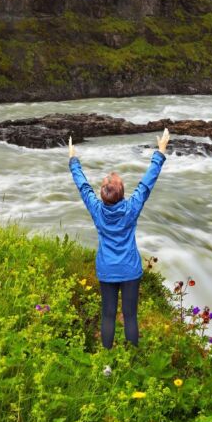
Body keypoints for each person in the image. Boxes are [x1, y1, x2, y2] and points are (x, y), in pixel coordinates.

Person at [68, 129, 170, 349]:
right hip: (130, 269)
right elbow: (147, 183)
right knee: (130, 316)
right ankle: (131, 359)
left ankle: (107, 358)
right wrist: (159, 152)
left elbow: (83, 186)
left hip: (107, 268)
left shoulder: (96, 209)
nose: (109, 177)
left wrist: (73, 160)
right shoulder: (131, 208)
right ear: (123, 193)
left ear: (103, 196)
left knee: (107, 316)